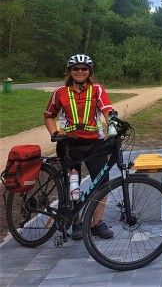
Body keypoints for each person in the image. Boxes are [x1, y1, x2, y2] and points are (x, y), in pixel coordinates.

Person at [44, 54, 114, 240]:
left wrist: (114, 127)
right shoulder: (60, 92)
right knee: (73, 185)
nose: (80, 72)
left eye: (84, 68)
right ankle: (76, 222)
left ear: (89, 72)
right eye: (76, 68)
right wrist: (54, 133)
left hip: (94, 144)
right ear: (70, 72)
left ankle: (97, 223)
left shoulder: (97, 89)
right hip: (69, 145)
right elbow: (49, 115)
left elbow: (107, 110)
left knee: (101, 182)